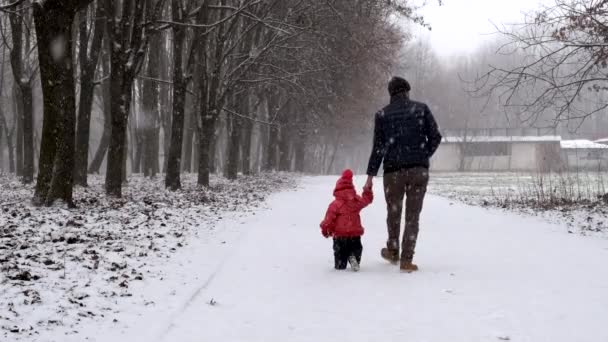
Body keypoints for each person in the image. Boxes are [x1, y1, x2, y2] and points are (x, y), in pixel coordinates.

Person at [364, 76, 442, 273]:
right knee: (412, 216)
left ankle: (393, 250)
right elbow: (435, 137)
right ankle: (407, 260)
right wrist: (423, 156)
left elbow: (378, 148)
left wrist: (370, 176)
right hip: (418, 171)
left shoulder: (382, 114)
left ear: (391, 93)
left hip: (393, 172)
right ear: (407, 91)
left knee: (394, 213)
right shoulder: (421, 109)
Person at [320, 169, 374, 272]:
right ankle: (354, 257)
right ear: (351, 187)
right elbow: (367, 200)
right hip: (354, 234)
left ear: (337, 189)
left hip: (340, 236)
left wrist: (325, 230)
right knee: (356, 249)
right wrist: (367, 189)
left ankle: (340, 264)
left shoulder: (335, 204)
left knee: (340, 253)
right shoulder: (356, 201)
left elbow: (328, 220)